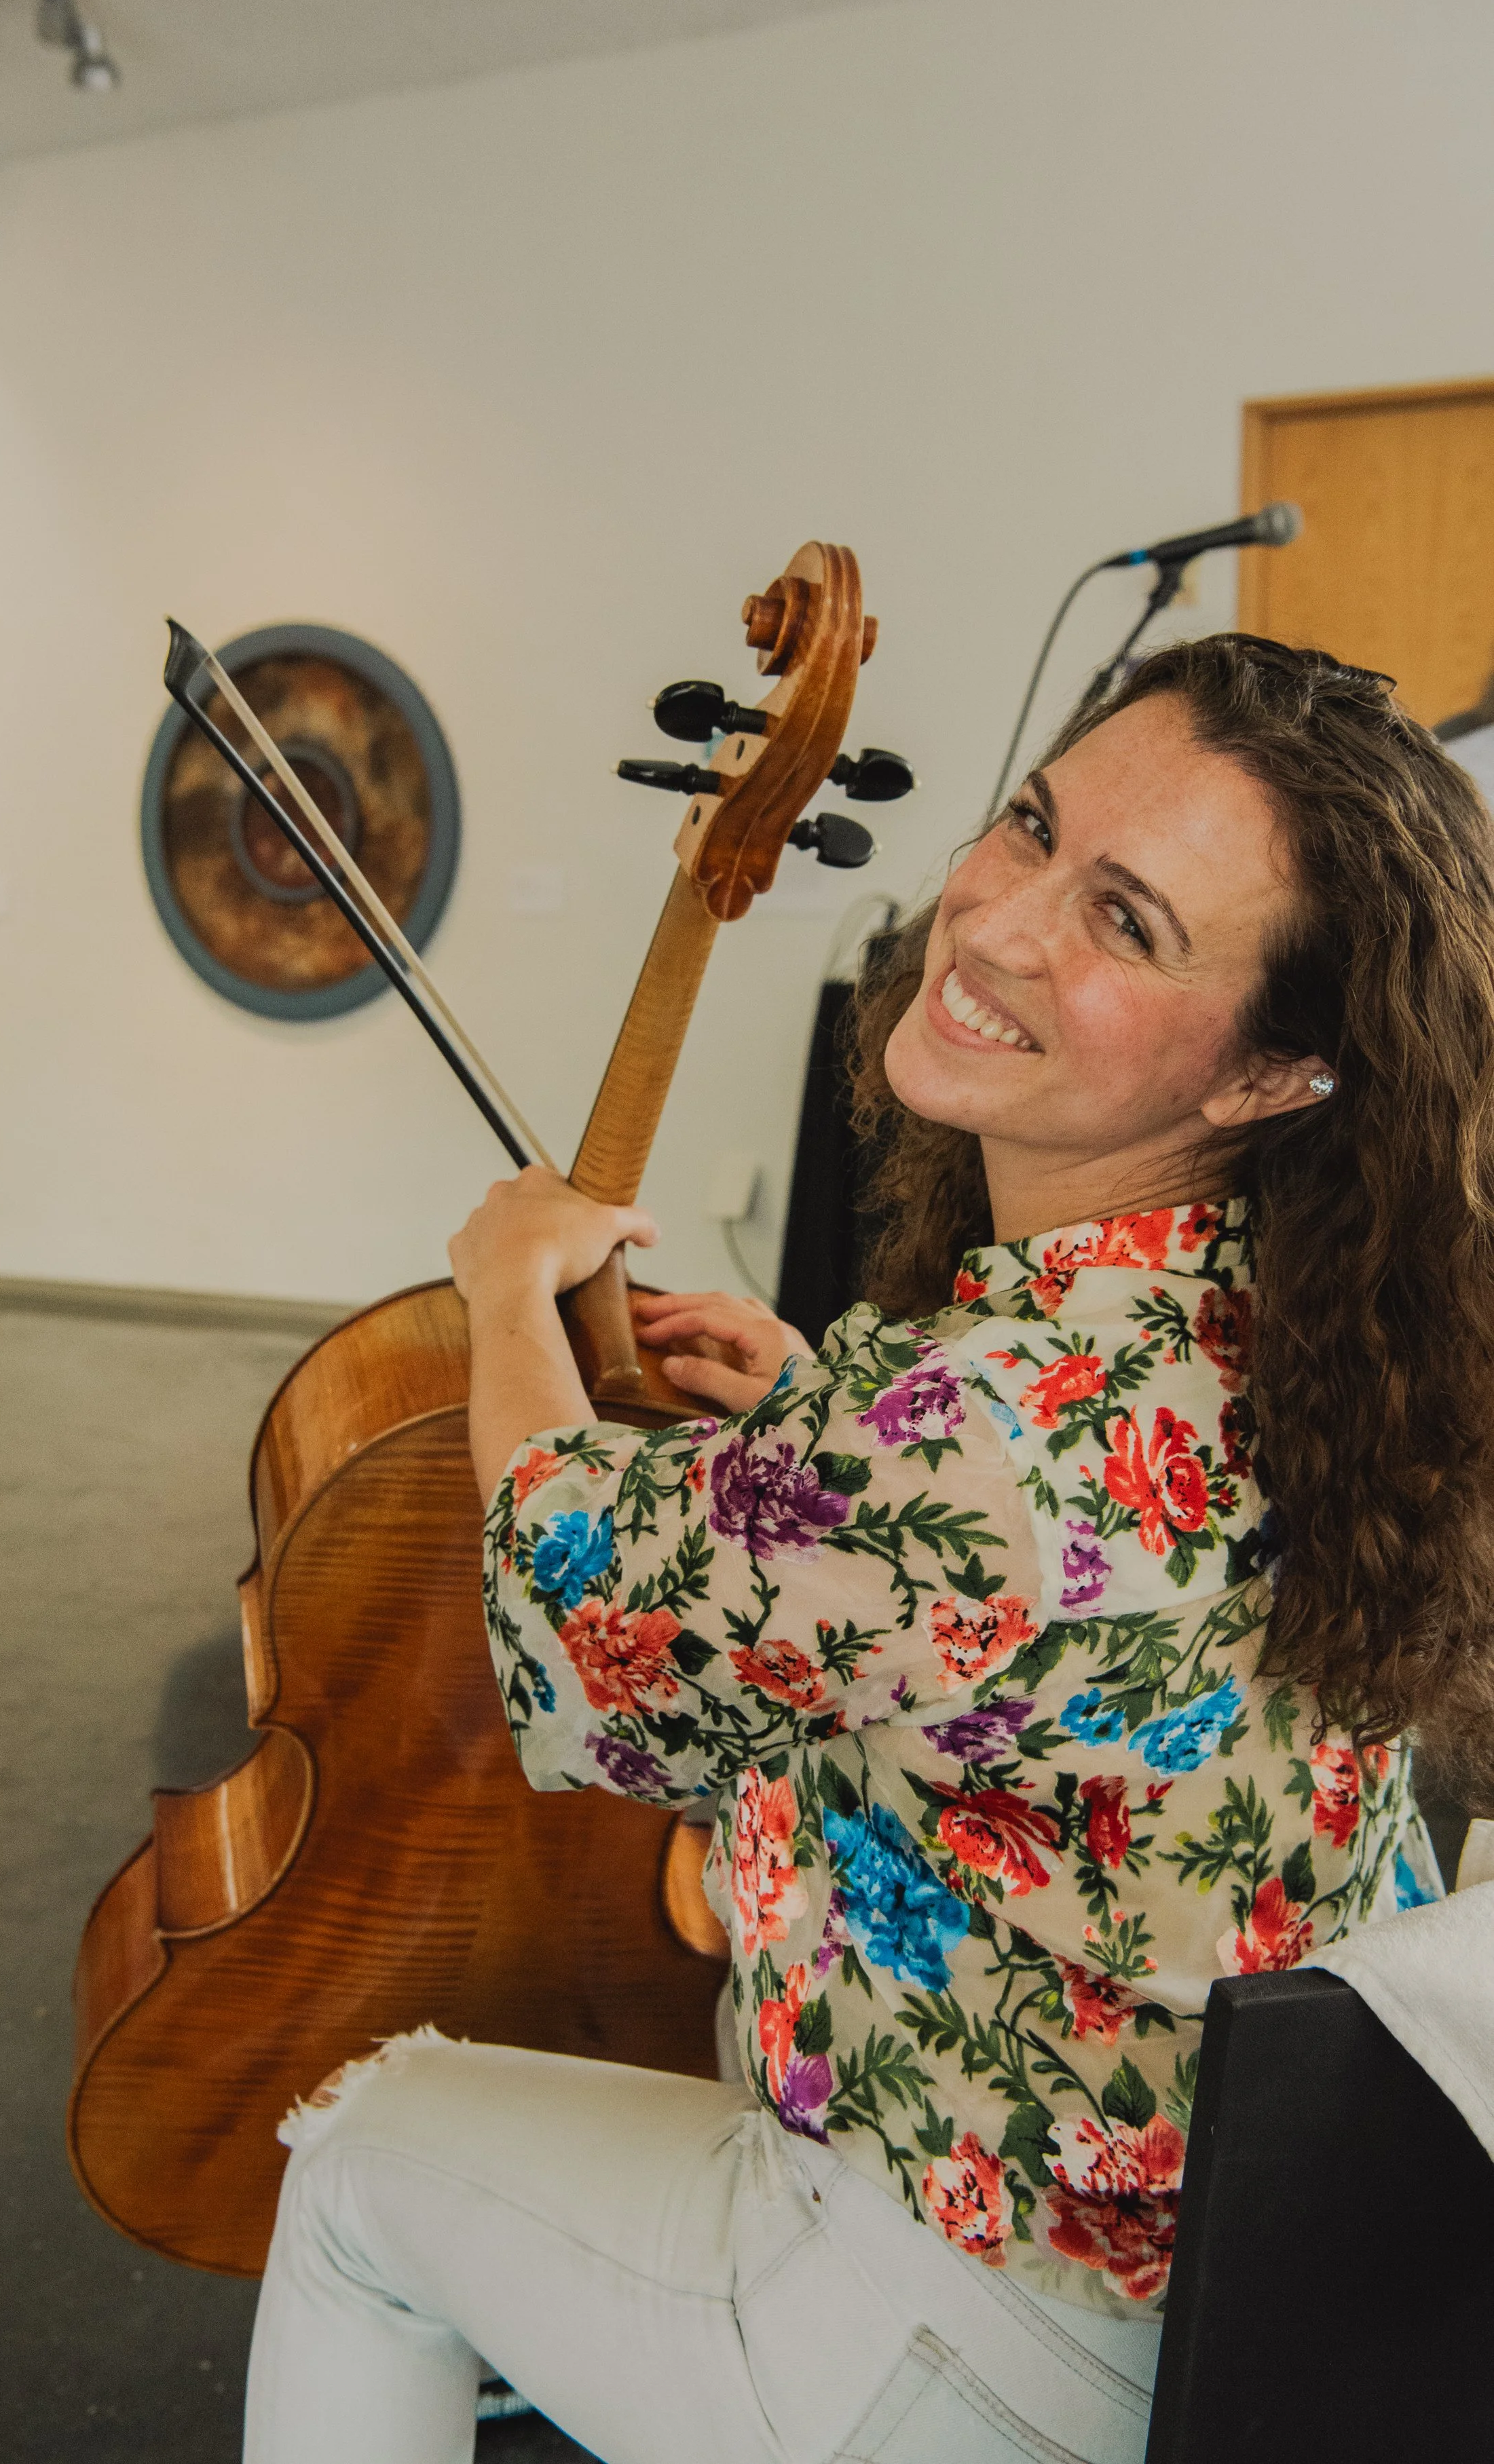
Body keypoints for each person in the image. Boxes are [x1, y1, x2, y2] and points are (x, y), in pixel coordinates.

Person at [242, 634, 1494, 2464]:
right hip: (1258, 2273)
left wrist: (506, 1293)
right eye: (1029, 826)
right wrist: (820, 1411)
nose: (988, 926)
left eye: (1127, 922)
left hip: (989, 2318)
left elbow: (579, 1629)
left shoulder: (972, 1432)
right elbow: (1071, 1572)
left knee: (357, 2170)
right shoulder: (1292, 1327)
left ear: (1269, 1073)